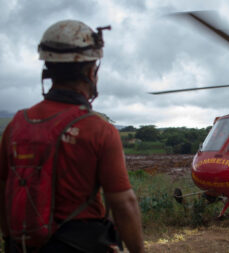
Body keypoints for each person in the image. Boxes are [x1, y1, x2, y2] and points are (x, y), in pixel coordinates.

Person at [0, 20, 145, 252]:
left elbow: (4, 192)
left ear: (47, 69)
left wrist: (10, 240)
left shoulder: (15, 126)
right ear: (91, 72)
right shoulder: (99, 130)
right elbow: (123, 203)